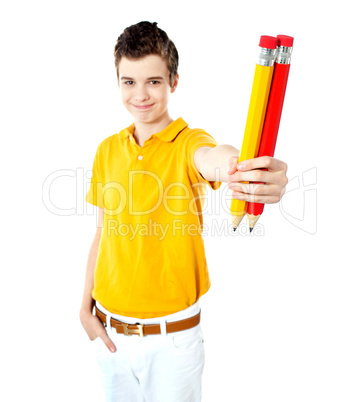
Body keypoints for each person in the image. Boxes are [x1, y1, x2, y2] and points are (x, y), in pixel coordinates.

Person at [79, 21, 288, 402]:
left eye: (154, 81)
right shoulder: (106, 149)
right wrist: (83, 307)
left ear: (173, 82)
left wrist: (241, 169)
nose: (140, 94)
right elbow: (102, 232)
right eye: (129, 82)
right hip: (110, 337)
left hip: (172, 342)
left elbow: (214, 158)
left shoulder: (188, 142)